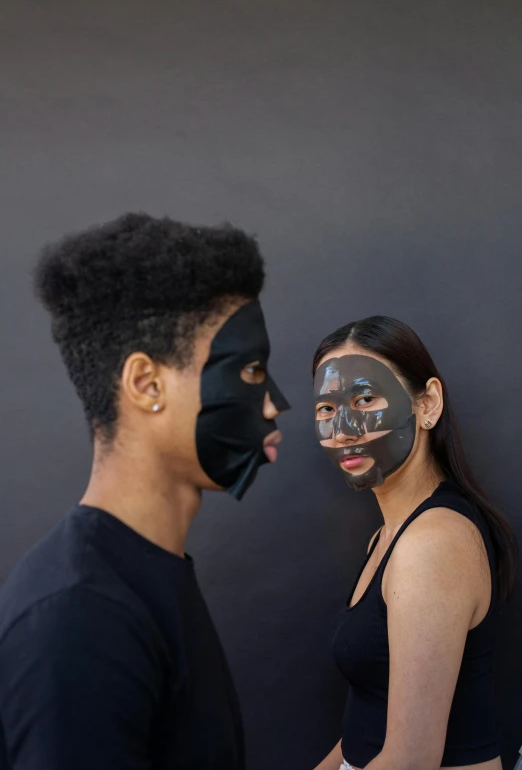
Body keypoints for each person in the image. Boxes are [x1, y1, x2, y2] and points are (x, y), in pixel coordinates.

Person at [0, 213, 289, 769]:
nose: (273, 404)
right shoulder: (81, 617)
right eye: (250, 372)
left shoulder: (149, 573)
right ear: (147, 384)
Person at [312, 315, 517, 770]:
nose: (342, 427)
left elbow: (411, 758)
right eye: (326, 408)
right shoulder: (387, 536)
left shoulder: (432, 543)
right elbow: (361, 729)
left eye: (365, 398)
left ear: (427, 405)